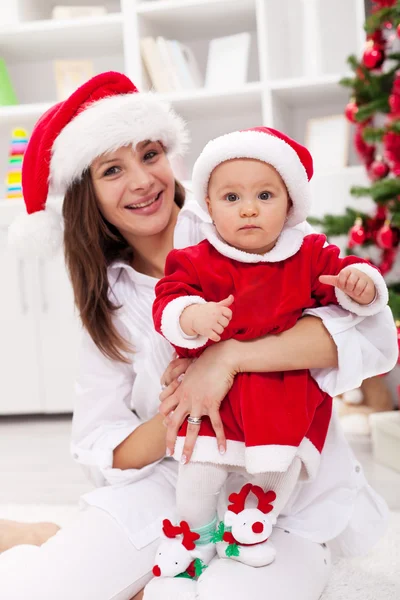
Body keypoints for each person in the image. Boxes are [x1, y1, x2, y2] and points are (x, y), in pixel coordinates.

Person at [0, 71, 396, 600]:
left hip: (283, 492)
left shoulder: (238, 220)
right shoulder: (110, 300)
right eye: (112, 169)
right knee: (40, 590)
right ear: (85, 194)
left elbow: (357, 336)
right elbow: (102, 446)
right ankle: (45, 540)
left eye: (149, 154)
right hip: (176, 487)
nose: (142, 181)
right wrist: (179, 411)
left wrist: (227, 358)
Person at [150, 126, 388, 576]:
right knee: (199, 473)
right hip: (219, 399)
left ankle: (247, 531)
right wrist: (192, 317)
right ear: (210, 208)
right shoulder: (197, 259)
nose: (249, 210)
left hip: (284, 393)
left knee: (278, 468)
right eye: (232, 198)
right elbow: (170, 298)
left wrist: (361, 285)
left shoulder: (309, 254)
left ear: (290, 204)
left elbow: (349, 279)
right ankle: (195, 536)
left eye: (265, 195)